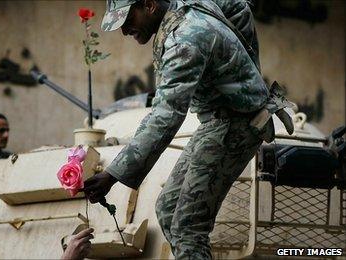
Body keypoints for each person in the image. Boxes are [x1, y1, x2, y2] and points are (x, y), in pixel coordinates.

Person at [84, 0, 291, 259]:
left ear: (148, 5)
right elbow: (239, 7)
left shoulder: (185, 40)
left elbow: (166, 115)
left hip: (237, 124)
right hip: (219, 120)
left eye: (127, 20)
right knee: (169, 209)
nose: (124, 31)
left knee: (188, 226)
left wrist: (112, 175)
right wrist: (247, 73)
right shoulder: (186, 4)